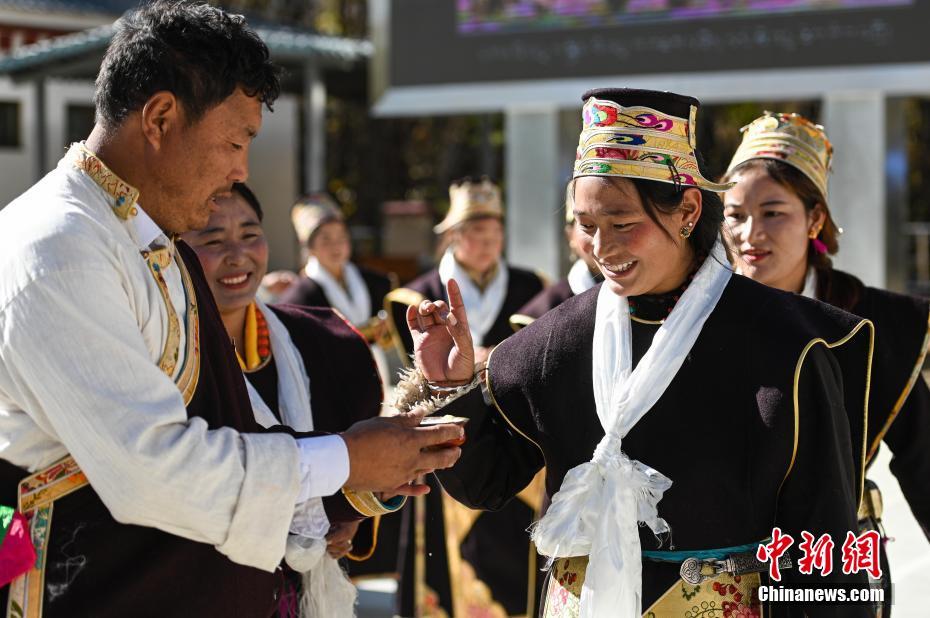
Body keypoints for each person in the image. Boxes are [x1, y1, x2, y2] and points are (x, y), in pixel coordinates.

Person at [0, 3, 461, 615]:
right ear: (160, 118)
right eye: (234, 141)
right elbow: (152, 471)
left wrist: (365, 461)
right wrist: (346, 459)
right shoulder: (58, 249)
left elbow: (232, 429)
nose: (240, 170)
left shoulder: (146, 240)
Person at [397, 88, 875, 617]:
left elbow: (827, 543)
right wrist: (449, 385)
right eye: (587, 226)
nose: (602, 249)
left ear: (688, 209)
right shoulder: (558, 340)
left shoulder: (786, 345)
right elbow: (486, 485)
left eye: (623, 224)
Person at [722, 111, 930, 613]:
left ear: (815, 219)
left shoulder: (872, 323)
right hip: (718, 569)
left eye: (773, 213)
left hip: (835, 566)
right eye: (735, 215)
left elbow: (924, 458)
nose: (750, 234)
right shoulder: (694, 315)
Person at [183, 183, 403, 616]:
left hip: (303, 589)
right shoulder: (167, 356)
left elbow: (353, 456)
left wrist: (351, 509)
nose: (237, 255)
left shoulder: (322, 339)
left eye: (250, 234)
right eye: (213, 240)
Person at [386, 177, 547, 617]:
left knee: (516, 559)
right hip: (448, 441)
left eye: (496, 231)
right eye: (477, 231)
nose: (489, 241)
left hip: (513, 436)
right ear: (454, 235)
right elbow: (411, 381)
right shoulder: (417, 297)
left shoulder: (532, 286)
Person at [510, 197, 601, 329]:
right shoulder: (546, 311)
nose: (602, 240)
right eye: (588, 225)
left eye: (619, 225)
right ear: (570, 235)